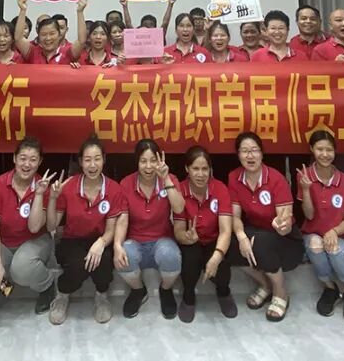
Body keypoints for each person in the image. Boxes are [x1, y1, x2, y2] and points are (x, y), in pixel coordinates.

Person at [0, 137, 57, 331]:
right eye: (23, 158)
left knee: (21, 268)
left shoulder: (43, 185)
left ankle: (47, 286)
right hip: (4, 241)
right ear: (14, 158)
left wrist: (39, 194)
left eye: (33, 159)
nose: (27, 164)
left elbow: (34, 228)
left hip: (35, 240)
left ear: (40, 162)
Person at [45, 137, 123, 324]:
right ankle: (62, 294)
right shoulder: (69, 186)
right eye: (87, 160)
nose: (92, 165)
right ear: (80, 162)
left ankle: (101, 296)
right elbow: (51, 226)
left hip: (101, 238)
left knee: (104, 261)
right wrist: (53, 198)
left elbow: (111, 229)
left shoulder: (114, 189)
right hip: (72, 240)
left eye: (97, 159)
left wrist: (101, 243)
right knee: (78, 264)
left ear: (104, 160)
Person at [227, 132, 302, 322]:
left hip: (285, 239)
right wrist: (241, 237)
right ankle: (265, 285)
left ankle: (280, 292)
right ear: (238, 155)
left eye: (254, 150)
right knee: (229, 243)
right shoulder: (234, 177)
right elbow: (235, 216)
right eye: (245, 151)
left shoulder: (276, 179)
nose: (250, 156)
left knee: (261, 243)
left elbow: (286, 221)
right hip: (256, 232)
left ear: (262, 153)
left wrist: (281, 225)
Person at [114, 140, 185, 319]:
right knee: (123, 257)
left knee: (171, 256)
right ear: (137, 162)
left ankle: (166, 289)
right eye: (143, 161)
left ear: (160, 160)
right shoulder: (126, 183)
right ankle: (138, 290)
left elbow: (179, 208)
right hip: (135, 240)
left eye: (153, 160)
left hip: (163, 239)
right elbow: (122, 220)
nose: (148, 166)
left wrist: (166, 179)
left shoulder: (170, 179)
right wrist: (117, 245)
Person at [296, 131, 344, 322]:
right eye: (320, 149)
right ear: (312, 150)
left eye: (329, 150)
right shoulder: (305, 176)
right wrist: (306, 190)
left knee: (333, 248)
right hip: (313, 234)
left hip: (342, 238)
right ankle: (329, 288)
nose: (325, 154)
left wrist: (334, 231)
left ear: (335, 151)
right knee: (315, 245)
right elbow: (309, 215)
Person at [174, 146, 236, 323]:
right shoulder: (180, 190)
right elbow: (178, 231)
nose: (200, 174)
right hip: (191, 241)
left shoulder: (220, 189)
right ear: (187, 169)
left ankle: (223, 292)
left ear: (210, 170)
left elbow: (226, 230)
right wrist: (186, 237)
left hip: (214, 239)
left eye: (204, 169)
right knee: (190, 258)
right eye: (195, 168)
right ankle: (188, 296)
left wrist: (216, 257)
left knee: (222, 263)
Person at [14, 0, 88, 64]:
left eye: (52, 33)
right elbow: (18, 38)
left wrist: (80, 12)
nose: (48, 38)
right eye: (43, 34)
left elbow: (81, 41)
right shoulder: (33, 52)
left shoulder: (67, 53)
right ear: (38, 35)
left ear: (59, 34)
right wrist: (22, 10)